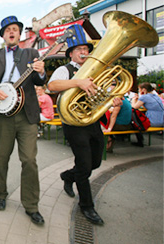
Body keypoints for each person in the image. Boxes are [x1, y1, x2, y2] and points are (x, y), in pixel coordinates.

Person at [48, 24, 122, 225]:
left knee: (95, 162)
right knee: (84, 165)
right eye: (80, 49)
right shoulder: (65, 70)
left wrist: (112, 100)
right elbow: (52, 86)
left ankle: (67, 176)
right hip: (72, 123)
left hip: (92, 121)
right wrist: (78, 82)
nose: (85, 52)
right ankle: (87, 206)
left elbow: (102, 94)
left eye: (86, 50)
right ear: (71, 53)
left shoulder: (96, 72)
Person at [0, 16, 46, 225]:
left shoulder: (31, 53)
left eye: (15, 29)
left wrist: (42, 71)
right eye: (8, 30)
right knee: (2, 158)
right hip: (3, 115)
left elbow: (39, 80)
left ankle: (31, 205)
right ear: (3, 35)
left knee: (29, 160)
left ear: (19, 34)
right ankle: (1, 193)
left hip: (27, 115)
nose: (12, 32)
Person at [102, 83, 134, 152]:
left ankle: (109, 140)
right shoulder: (124, 99)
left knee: (101, 126)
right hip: (127, 124)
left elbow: (113, 116)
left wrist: (109, 129)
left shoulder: (118, 101)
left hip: (121, 125)